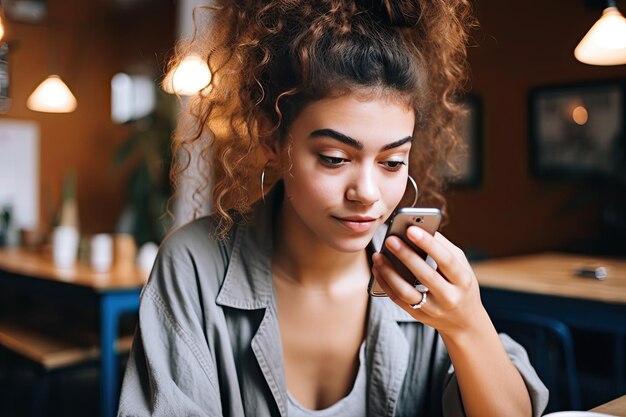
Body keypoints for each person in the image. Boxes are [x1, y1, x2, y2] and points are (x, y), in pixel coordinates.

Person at [118, 1, 549, 416]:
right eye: (334, 158)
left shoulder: (420, 282)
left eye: (392, 162)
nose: (367, 193)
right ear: (273, 141)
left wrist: (467, 324)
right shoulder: (193, 265)